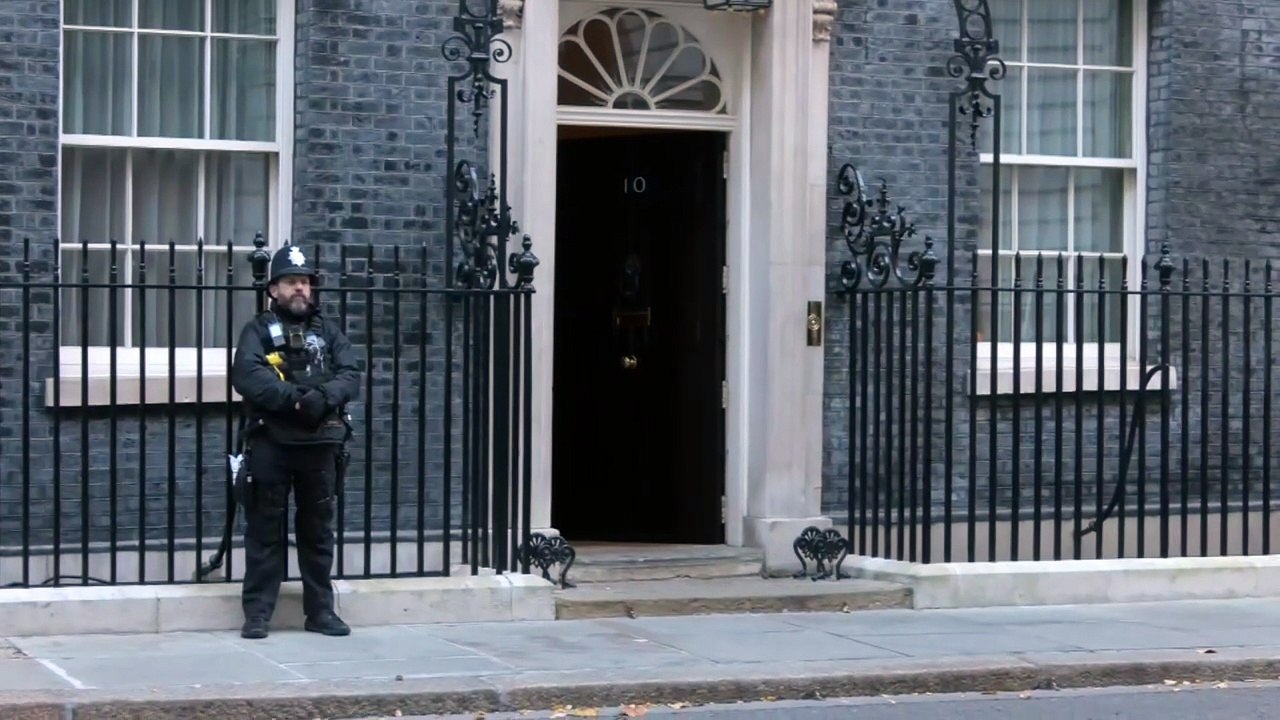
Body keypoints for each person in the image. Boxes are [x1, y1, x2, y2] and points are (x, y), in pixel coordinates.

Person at [230, 243, 361, 640]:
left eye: (305, 282)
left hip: (319, 446)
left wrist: (321, 398)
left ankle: (320, 612)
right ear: (274, 290)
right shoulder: (257, 331)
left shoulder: (329, 332)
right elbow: (248, 376)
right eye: (291, 282)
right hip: (271, 444)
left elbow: (350, 374)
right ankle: (258, 614)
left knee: (318, 533)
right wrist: (297, 401)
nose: (300, 289)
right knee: (264, 531)